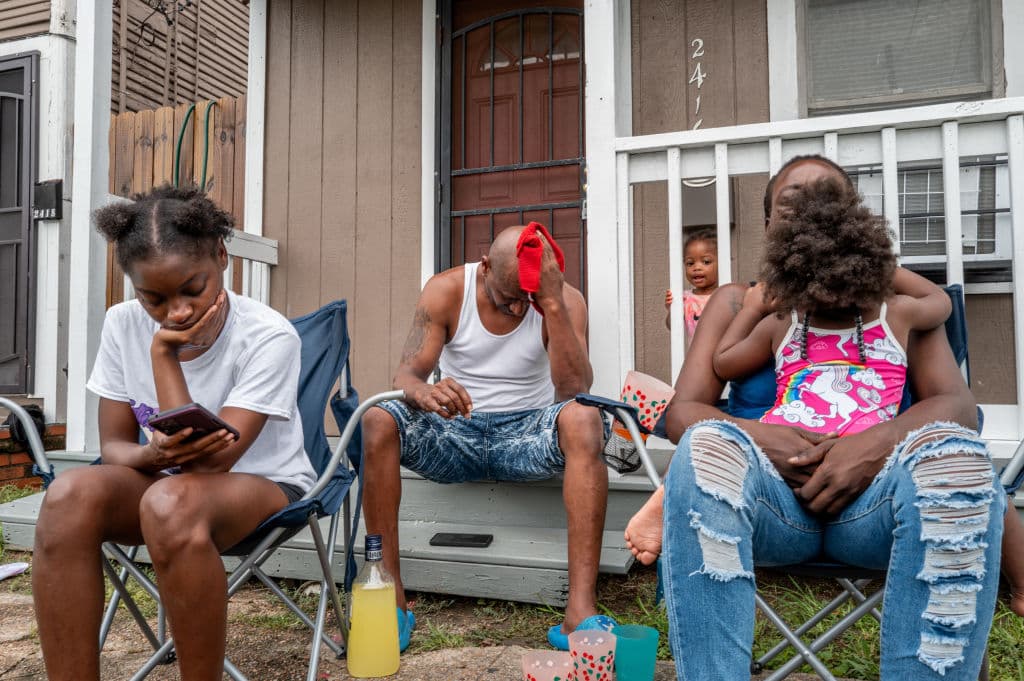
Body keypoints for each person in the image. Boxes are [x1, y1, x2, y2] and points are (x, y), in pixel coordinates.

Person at [624, 155, 1006, 680]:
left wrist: (872, 447)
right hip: (769, 499)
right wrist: (768, 439)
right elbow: (684, 412)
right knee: (705, 444)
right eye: (791, 203)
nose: (811, 214)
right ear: (767, 228)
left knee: (958, 461)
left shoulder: (894, 304)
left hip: (875, 504)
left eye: (828, 202)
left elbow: (958, 408)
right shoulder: (748, 304)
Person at [32, 185, 316, 681]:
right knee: (68, 495)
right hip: (160, 480)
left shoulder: (268, 336)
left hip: (262, 484)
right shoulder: (121, 324)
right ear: (133, 286)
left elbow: (209, 466)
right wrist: (151, 453)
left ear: (222, 257)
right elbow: (114, 446)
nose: (176, 312)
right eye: (154, 298)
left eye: (192, 288)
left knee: (171, 502)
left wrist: (163, 353)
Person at [361, 224, 611, 652]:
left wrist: (550, 302)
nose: (517, 308)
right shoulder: (446, 290)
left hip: (526, 434)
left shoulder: (563, 300)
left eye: (526, 298)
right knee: (377, 420)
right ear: (485, 265)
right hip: (457, 432)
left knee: (586, 418)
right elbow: (407, 375)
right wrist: (424, 392)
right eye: (507, 295)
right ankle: (389, 596)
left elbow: (573, 390)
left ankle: (580, 610)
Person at [712, 177, 952, 436]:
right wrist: (881, 266)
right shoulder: (896, 313)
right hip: (841, 450)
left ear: (791, 272)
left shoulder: (783, 323)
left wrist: (752, 309)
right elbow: (939, 300)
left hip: (795, 448)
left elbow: (725, 362)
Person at [664, 229, 718, 339]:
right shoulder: (685, 299)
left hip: (724, 354)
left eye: (706, 262)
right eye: (690, 263)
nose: (696, 268)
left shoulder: (725, 294)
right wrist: (672, 310)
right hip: (697, 355)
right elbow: (672, 326)